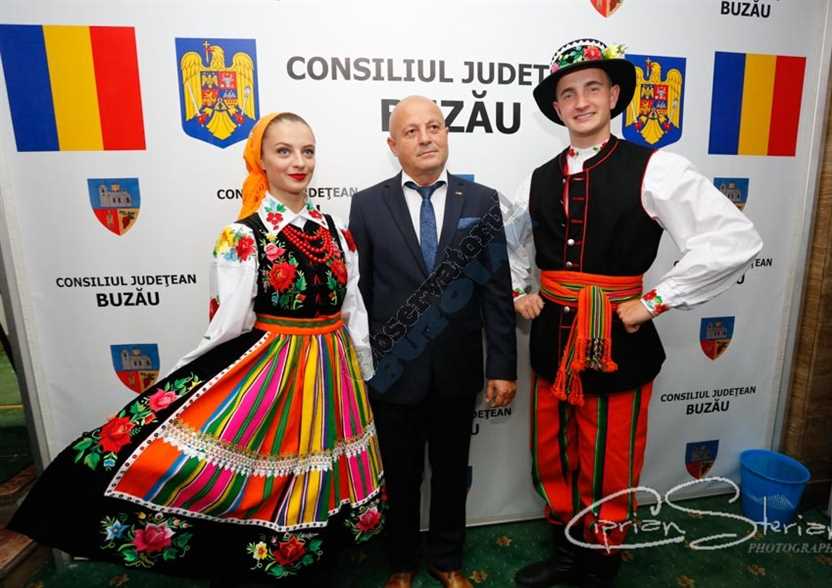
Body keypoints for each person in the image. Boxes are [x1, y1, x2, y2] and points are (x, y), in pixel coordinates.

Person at [8, 112, 385, 583]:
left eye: (307, 151)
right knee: (265, 479)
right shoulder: (243, 236)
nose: (298, 162)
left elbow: (353, 309)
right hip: (278, 374)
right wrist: (182, 386)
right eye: (284, 151)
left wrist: (363, 371)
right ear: (260, 161)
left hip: (333, 374)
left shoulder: (336, 231)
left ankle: (312, 563)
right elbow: (227, 327)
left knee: (320, 477)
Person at [502, 39, 763, 587]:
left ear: (615, 95)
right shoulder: (539, 178)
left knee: (609, 456)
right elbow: (515, 244)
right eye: (567, 93)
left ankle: (600, 565)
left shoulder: (655, 168)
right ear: (556, 107)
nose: (580, 102)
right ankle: (567, 553)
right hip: (553, 336)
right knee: (552, 450)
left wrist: (654, 301)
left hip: (617, 342)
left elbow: (733, 238)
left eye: (592, 88)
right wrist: (520, 287)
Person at [348, 96, 517, 588]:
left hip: (456, 370)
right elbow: (360, 295)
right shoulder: (367, 204)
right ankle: (401, 562)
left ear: (446, 133)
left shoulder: (481, 201)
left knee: (450, 472)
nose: (426, 138)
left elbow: (496, 289)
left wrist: (502, 366)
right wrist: (361, 365)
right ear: (393, 145)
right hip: (393, 372)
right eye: (412, 131)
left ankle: (446, 560)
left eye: (435, 126)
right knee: (400, 476)